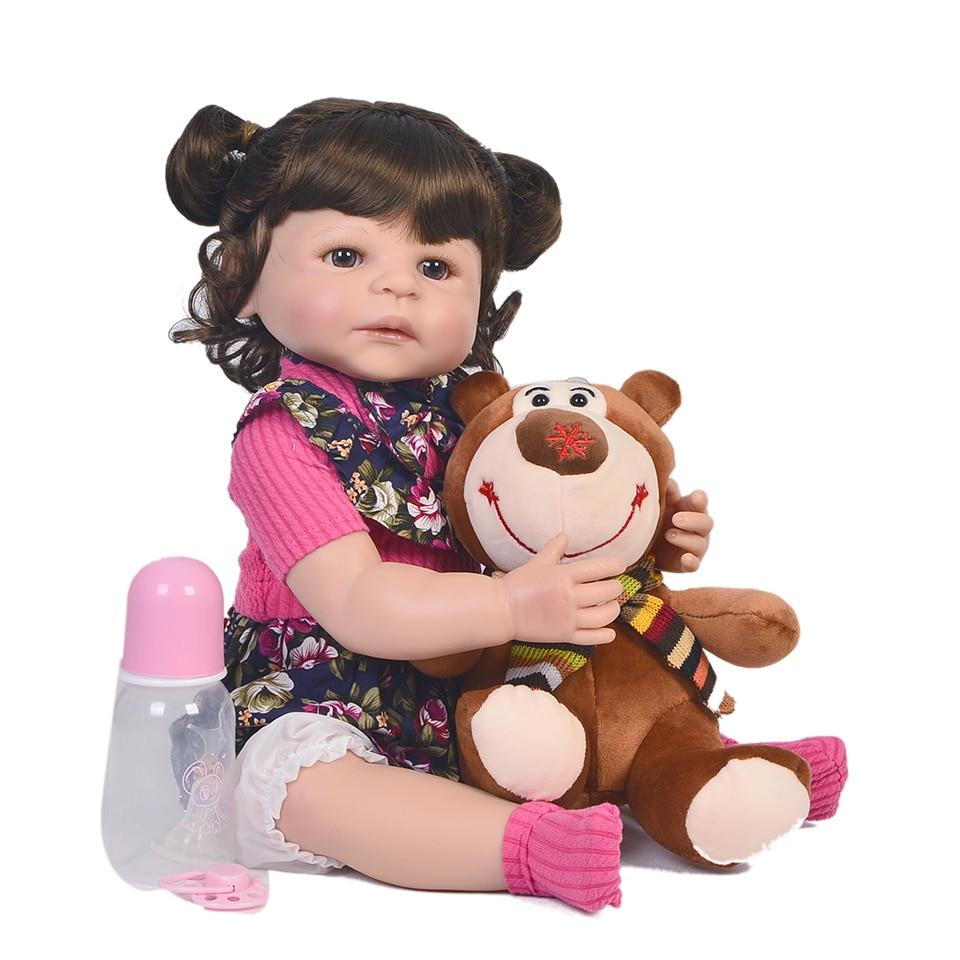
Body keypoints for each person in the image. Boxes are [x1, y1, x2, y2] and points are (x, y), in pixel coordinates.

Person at [165, 98, 840, 913]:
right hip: (319, 694)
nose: (396, 285)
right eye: (345, 254)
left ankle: (709, 768)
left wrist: (646, 533)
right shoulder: (281, 432)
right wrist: (511, 604)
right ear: (245, 282)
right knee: (310, 790)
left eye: (436, 268)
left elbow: (541, 518)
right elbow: (359, 603)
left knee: (600, 689)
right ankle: (526, 847)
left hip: (476, 687)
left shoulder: (473, 417)